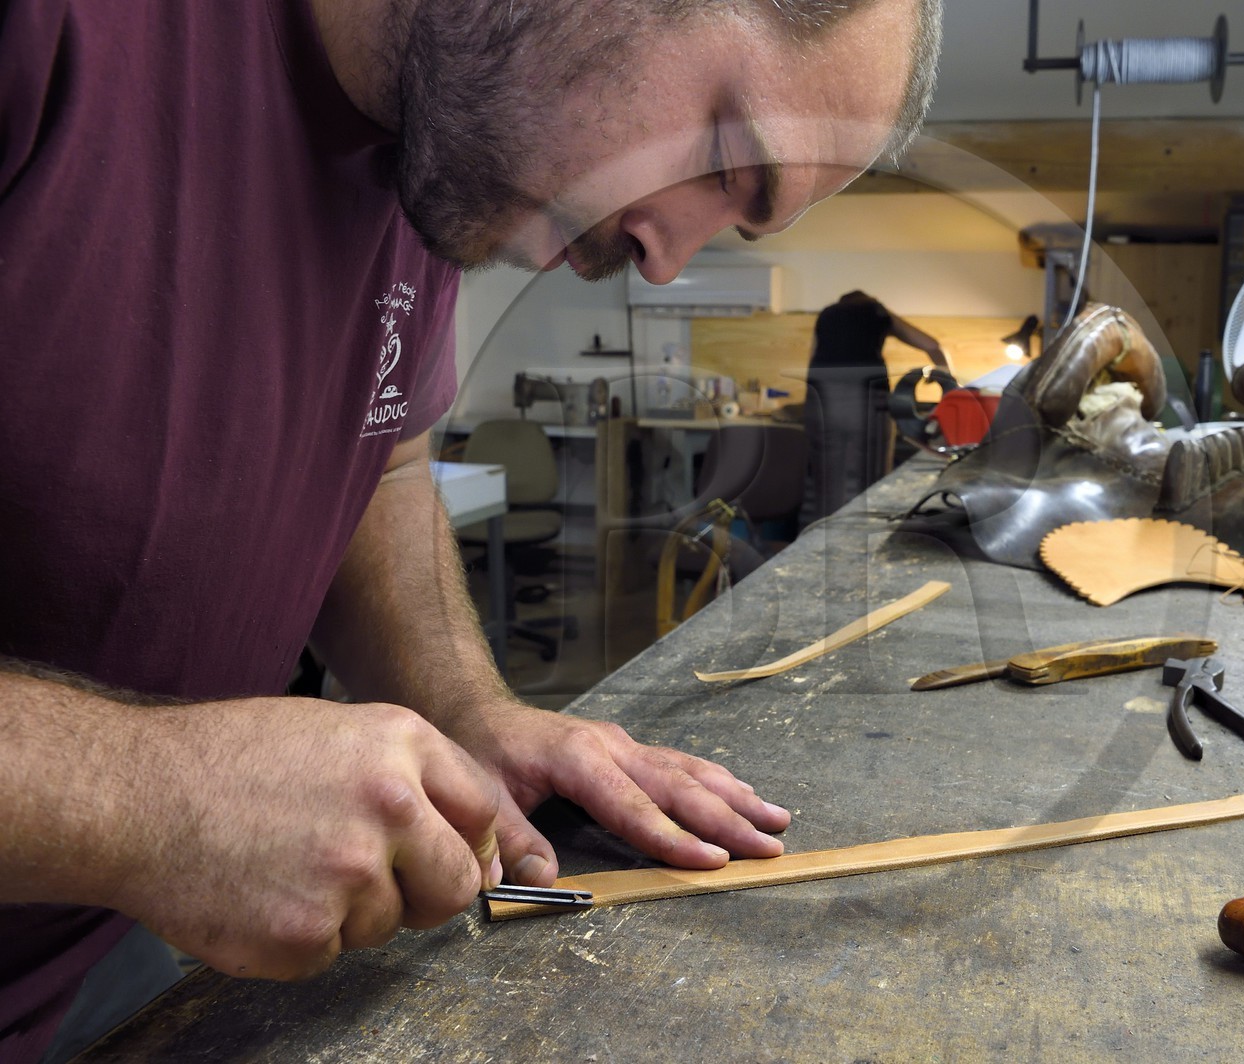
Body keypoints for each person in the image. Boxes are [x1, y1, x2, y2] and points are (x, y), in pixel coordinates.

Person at [0, 0, 943, 1057]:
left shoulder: (442, 136)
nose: (668, 259)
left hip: (88, 944)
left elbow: (381, 454)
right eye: (723, 155)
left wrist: (465, 707)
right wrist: (152, 799)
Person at [801, 291, 951, 523]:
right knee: (867, 479)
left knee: (825, 481)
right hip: (865, 398)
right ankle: (861, 543)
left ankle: (820, 544)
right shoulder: (876, 311)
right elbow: (931, 344)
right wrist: (947, 380)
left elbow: (812, 357)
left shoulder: (827, 314)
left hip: (820, 400)